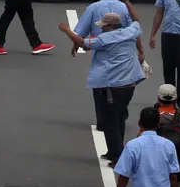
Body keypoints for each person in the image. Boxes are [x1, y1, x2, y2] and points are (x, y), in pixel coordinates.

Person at [61, 11, 145, 160]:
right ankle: (113, 151)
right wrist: (126, 1)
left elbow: (83, 44)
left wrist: (66, 29)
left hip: (113, 86)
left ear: (111, 25)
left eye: (104, 26)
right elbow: (137, 19)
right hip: (129, 84)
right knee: (119, 118)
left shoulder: (105, 39)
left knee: (110, 122)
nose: (102, 28)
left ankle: (118, 156)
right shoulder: (131, 31)